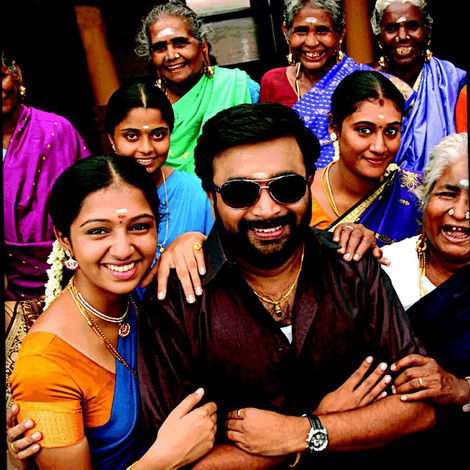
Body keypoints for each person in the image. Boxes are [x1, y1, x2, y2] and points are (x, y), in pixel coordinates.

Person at [138, 103, 435, 469]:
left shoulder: (352, 266)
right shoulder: (177, 299)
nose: (267, 209)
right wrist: (321, 428)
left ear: (309, 182)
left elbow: (421, 407)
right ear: (210, 196)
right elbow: (177, 461)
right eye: (240, 193)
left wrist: (305, 431)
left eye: (287, 187)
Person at [9, 155, 217, 469]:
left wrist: (190, 240)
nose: (123, 250)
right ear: (64, 239)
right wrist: (164, 459)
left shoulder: (147, 294)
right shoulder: (45, 365)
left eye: (140, 227)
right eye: (98, 231)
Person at [380, 132, 469, 460]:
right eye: (447, 194)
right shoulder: (384, 268)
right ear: (426, 197)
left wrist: (462, 389)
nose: (459, 212)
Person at [259, 0, 413, 168]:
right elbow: (266, 148)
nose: (311, 42)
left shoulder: (367, 81)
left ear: (340, 34)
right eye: (301, 31)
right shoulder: (273, 82)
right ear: (286, 32)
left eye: (322, 31)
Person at [2, 50, 91, 300]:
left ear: (17, 74)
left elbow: (93, 203)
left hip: (72, 273)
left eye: (0, 77)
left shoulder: (57, 131)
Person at [134, 0, 259, 174]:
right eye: (160, 48)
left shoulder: (237, 86)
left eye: (180, 43)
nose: (171, 55)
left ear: (203, 45)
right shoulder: (146, 104)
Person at [310, 70, 421, 245]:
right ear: (334, 126)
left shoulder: (416, 194)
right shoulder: (300, 196)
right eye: (364, 130)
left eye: (391, 131)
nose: (379, 147)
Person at [105, 77, 213, 255]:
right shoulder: (98, 195)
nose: (146, 148)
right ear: (111, 139)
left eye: (158, 135)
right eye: (131, 136)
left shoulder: (197, 193)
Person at [370, 0, 467, 172]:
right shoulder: (365, 81)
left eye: (412, 26)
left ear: (428, 32)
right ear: (379, 37)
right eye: (392, 28)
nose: (402, 36)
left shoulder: (453, 81)